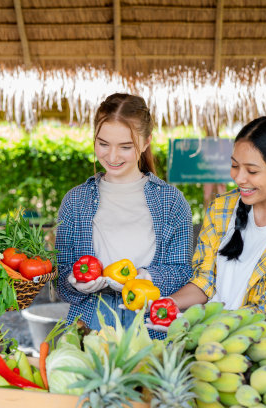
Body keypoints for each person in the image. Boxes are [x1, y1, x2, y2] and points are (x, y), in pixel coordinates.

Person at [55, 93, 193, 334]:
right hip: (88, 321)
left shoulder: (171, 201)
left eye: (126, 147)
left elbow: (182, 271)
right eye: (103, 144)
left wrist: (146, 277)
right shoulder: (75, 201)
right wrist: (74, 282)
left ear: (146, 142)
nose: (112, 156)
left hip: (150, 323)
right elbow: (61, 277)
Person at [165, 116, 266, 323]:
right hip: (209, 342)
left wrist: (211, 323)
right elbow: (204, 281)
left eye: (252, 171)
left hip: (265, 346)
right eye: (234, 166)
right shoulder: (222, 209)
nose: (239, 178)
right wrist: (167, 302)